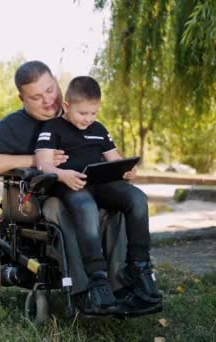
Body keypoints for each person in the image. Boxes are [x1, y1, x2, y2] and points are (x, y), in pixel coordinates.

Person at [0, 61, 158, 316]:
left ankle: (120, 286)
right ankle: (83, 291)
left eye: (50, 90)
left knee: (116, 207)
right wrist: (33, 160)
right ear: (22, 98)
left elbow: (105, 152)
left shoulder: (79, 113)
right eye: (37, 97)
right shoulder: (12, 126)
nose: (48, 101)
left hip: (88, 187)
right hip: (43, 197)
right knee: (64, 208)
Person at [34, 76, 162, 314]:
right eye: (83, 113)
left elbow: (116, 160)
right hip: (71, 186)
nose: (88, 119)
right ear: (67, 106)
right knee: (85, 205)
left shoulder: (99, 129)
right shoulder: (51, 128)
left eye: (93, 113)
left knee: (137, 198)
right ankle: (97, 277)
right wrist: (61, 175)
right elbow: (43, 164)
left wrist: (128, 171)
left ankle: (139, 265)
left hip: (101, 184)